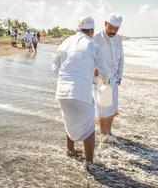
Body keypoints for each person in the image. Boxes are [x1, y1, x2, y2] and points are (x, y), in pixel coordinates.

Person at [52, 16, 111, 168]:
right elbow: (104, 69)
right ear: (91, 31)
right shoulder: (92, 44)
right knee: (89, 128)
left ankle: (70, 150)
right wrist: (105, 79)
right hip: (81, 92)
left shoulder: (65, 42)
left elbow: (55, 68)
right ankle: (89, 162)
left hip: (62, 91)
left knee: (69, 119)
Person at [93, 13, 124, 142]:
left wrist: (120, 75)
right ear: (105, 24)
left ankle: (109, 132)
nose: (113, 31)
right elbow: (90, 56)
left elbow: (121, 58)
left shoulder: (118, 39)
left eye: (116, 29)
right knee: (103, 108)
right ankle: (103, 135)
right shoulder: (96, 37)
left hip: (114, 77)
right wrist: (92, 70)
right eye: (110, 27)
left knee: (112, 107)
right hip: (101, 78)